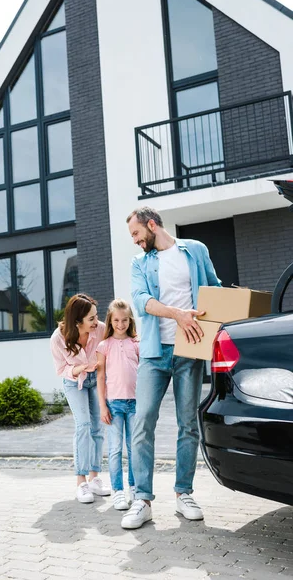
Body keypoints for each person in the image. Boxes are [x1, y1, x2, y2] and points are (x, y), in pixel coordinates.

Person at [121, 206, 221, 530]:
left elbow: (214, 290)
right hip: (154, 353)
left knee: (188, 425)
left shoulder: (195, 251)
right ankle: (142, 500)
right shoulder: (140, 263)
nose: (135, 241)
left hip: (189, 352)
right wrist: (178, 313)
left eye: (137, 233)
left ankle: (183, 494)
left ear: (152, 225)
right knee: (142, 423)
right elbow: (141, 301)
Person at [50, 293, 111, 503]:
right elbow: (61, 369)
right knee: (83, 425)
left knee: (97, 427)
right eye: (91, 319)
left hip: (96, 379)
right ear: (77, 322)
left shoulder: (101, 330)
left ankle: (95, 478)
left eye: (96, 316)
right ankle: (81, 482)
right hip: (74, 381)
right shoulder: (58, 338)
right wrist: (80, 368)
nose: (97, 322)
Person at [96, 299, 139, 511]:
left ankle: (133, 487)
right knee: (114, 450)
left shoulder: (136, 343)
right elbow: (101, 377)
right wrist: (103, 406)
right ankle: (118, 491)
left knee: (134, 448)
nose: (120, 324)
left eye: (124, 320)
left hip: (135, 403)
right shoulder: (104, 346)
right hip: (114, 404)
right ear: (110, 321)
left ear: (129, 320)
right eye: (116, 320)